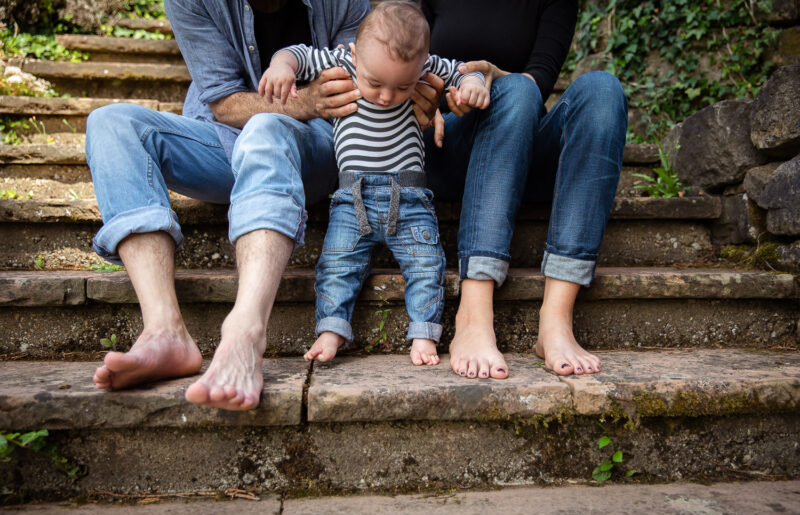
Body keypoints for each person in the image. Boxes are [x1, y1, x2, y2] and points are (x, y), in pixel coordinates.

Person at [85, 0, 443, 411]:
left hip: (318, 145)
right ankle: (164, 331)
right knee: (110, 124)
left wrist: (424, 93)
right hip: (223, 138)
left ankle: (246, 331)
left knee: (266, 126)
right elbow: (221, 102)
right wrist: (301, 99)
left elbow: (379, 82)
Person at [261, 1, 489, 366]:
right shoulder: (342, 62)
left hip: (411, 199)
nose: (386, 96)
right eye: (375, 83)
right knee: (336, 264)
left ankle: (424, 333)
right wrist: (280, 67)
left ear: (422, 64)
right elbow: (298, 54)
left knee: (426, 265)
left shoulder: (426, 66)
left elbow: (461, 71)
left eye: (403, 87)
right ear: (354, 53)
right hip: (353, 201)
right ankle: (331, 330)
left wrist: (473, 83)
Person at [420, 0, 628, 379]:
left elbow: (540, 76)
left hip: (516, 140)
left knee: (601, 89)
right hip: (445, 144)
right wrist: (422, 97)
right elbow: (397, 54)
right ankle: (473, 314)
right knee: (515, 87)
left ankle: (556, 319)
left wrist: (494, 77)